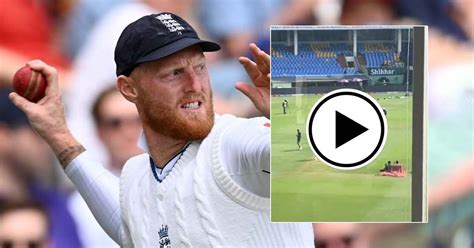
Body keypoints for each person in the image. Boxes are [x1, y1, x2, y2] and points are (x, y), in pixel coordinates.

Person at [9, 12, 313, 247]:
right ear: (128, 89)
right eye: (174, 73)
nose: (195, 85)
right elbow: (129, 225)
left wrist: (296, 119)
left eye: (199, 67)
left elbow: (341, 173)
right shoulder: (137, 176)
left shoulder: (233, 140)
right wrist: (57, 132)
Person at [68, 86, 143, 247]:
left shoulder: (179, 181)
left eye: (138, 120)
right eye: (115, 123)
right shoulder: (80, 203)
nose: (129, 132)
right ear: (99, 131)